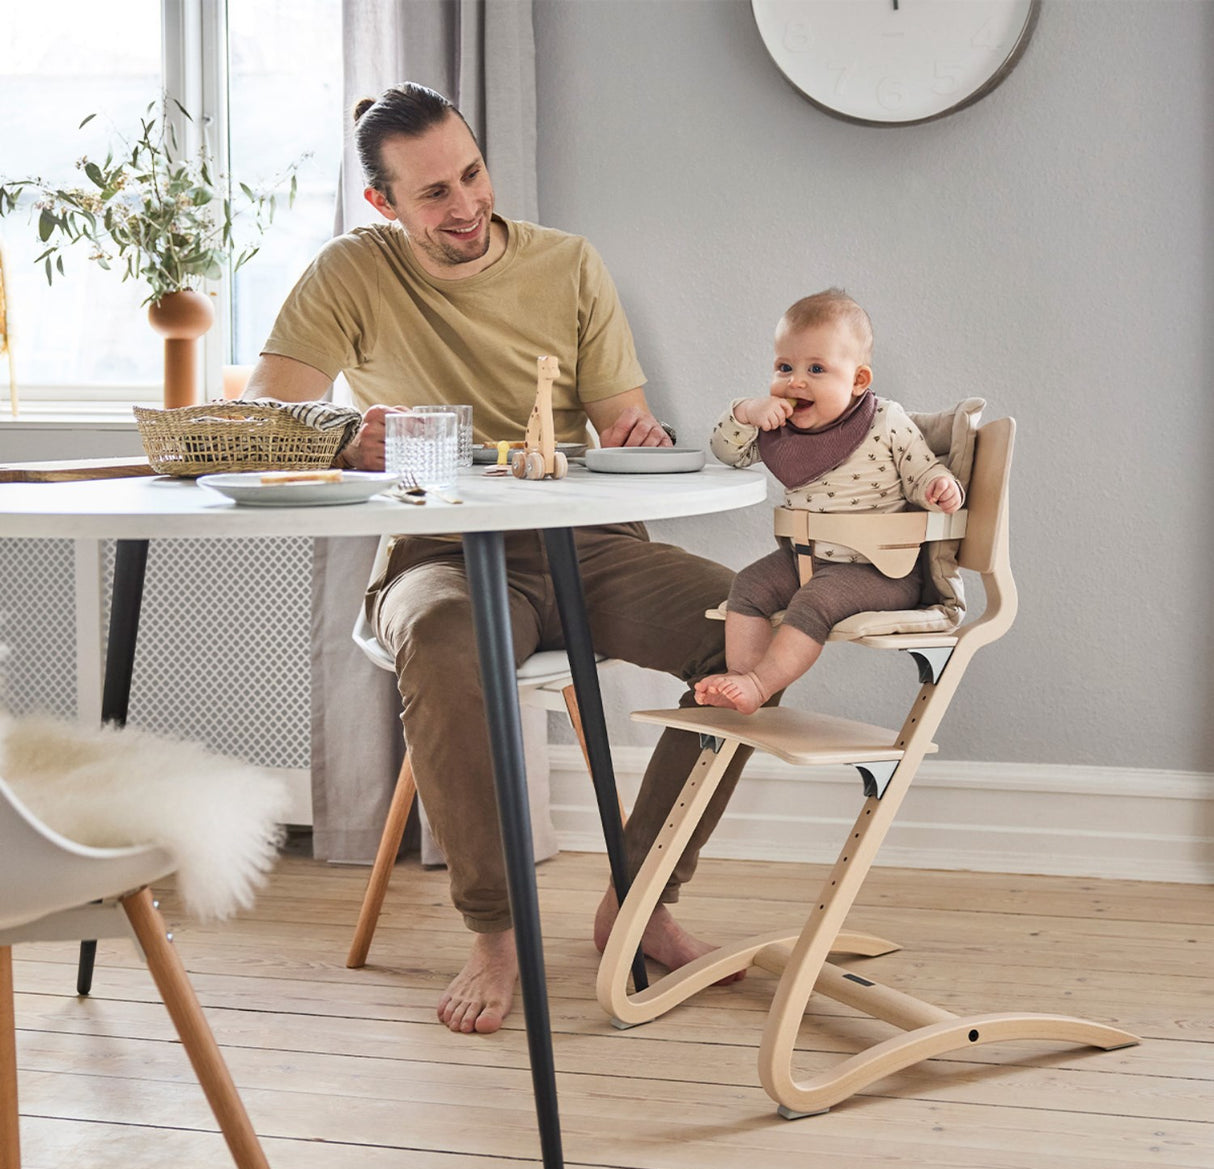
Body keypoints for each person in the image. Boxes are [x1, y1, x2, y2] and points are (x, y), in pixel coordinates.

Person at [245, 83, 761, 1035]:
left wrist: (638, 436)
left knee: (746, 637)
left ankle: (639, 901)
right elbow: (262, 420)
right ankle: (494, 933)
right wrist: (348, 434)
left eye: (472, 173)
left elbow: (618, 428)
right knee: (444, 644)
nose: (467, 204)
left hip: (588, 545)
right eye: (434, 193)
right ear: (385, 205)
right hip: (435, 548)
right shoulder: (347, 277)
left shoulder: (568, 265)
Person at [695, 289, 962, 714]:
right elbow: (728, 452)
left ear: (858, 380)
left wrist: (940, 487)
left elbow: (923, 472)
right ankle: (740, 678)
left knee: (814, 601)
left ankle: (761, 684)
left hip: (881, 571)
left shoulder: (886, 421)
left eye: (816, 368)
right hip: (805, 561)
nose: (795, 381)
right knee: (747, 585)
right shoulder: (781, 426)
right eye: (785, 367)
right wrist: (747, 412)